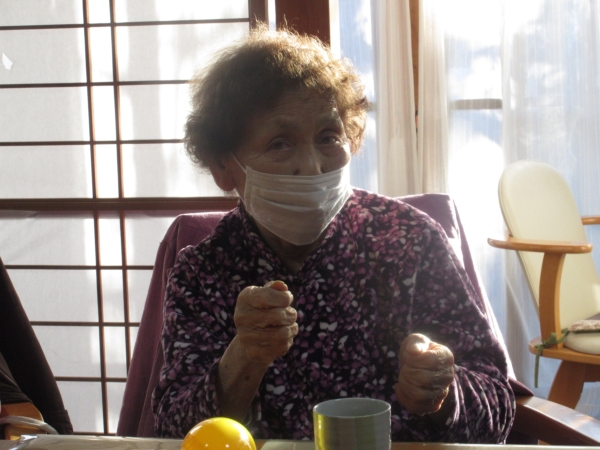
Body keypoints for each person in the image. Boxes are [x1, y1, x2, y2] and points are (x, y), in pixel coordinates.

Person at [151, 25, 515, 443]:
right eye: (280, 144)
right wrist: (245, 355)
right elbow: (175, 434)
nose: (312, 166)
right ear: (222, 166)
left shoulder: (410, 241)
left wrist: (445, 392)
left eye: (328, 138)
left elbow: (500, 408)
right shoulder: (203, 273)